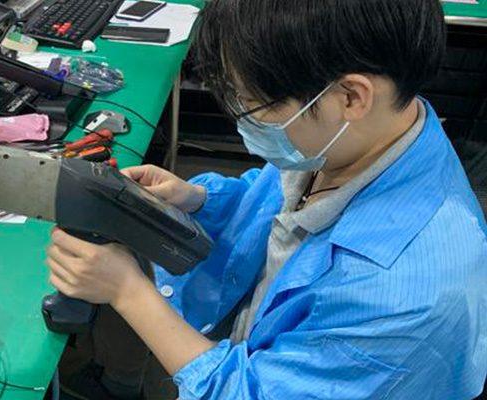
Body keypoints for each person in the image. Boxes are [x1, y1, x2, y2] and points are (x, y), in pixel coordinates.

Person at [46, 0, 487, 398]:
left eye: (256, 104)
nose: (244, 117)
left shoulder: (399, 299)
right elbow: (279, 200)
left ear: (352, 96)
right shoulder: (367, 132)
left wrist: (127, 292)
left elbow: (253, 393)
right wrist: (197, 199)